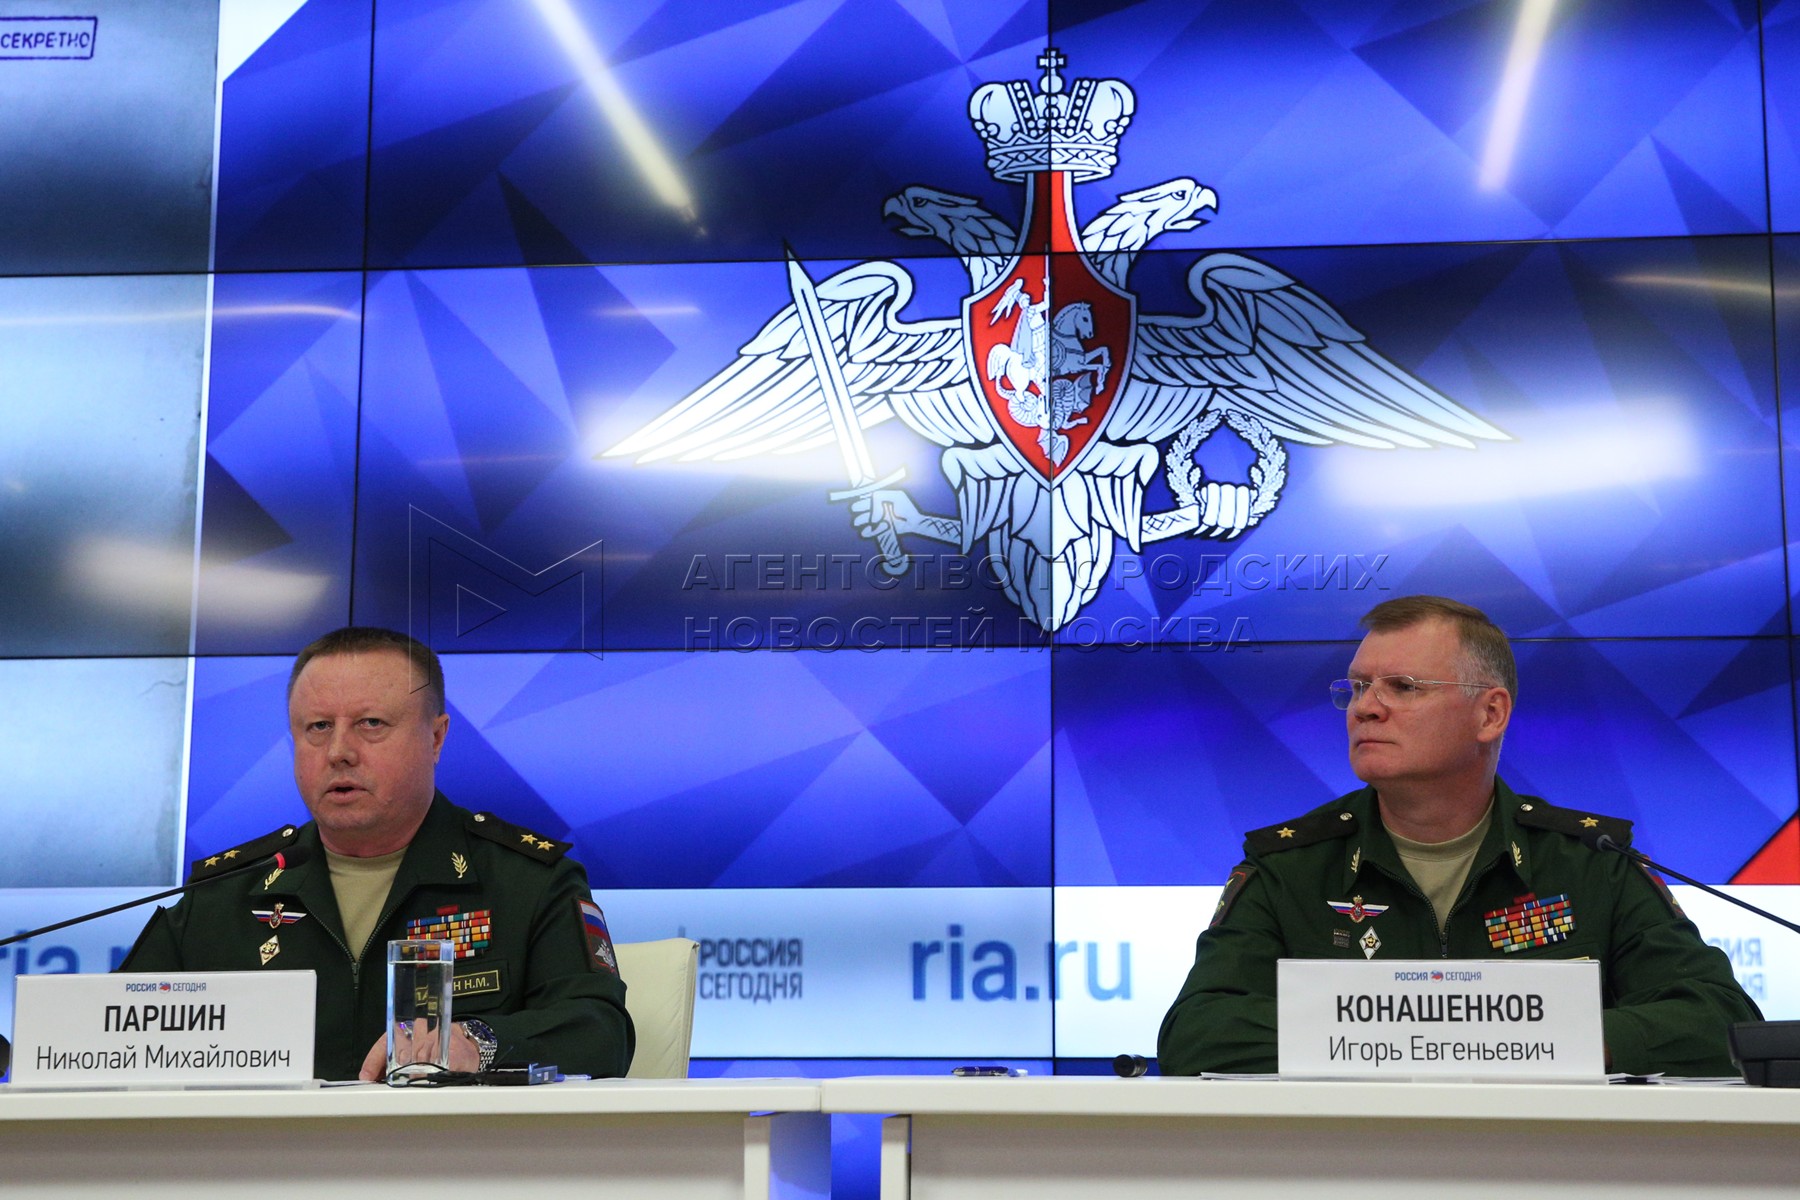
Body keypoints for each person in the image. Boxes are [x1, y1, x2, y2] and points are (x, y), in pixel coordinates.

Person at [1158, 595, 1760, 1077]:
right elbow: (1198, 1033)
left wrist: (1551, 1041)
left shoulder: (1590, 862)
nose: (1365, 708)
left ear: (1490, 714)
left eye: (1403, 687)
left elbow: (1720, 1021)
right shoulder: (1290, 866)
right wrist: (1431, 1038)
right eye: (1358, 687)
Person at [121, 627, 634, 1081]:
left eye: (370, 723)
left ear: (436, 738)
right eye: (318, 727)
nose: (339, 752)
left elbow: (599, 1031)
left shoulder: (527, 881)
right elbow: (108, 1037)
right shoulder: (225, 895)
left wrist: (477, 1043)